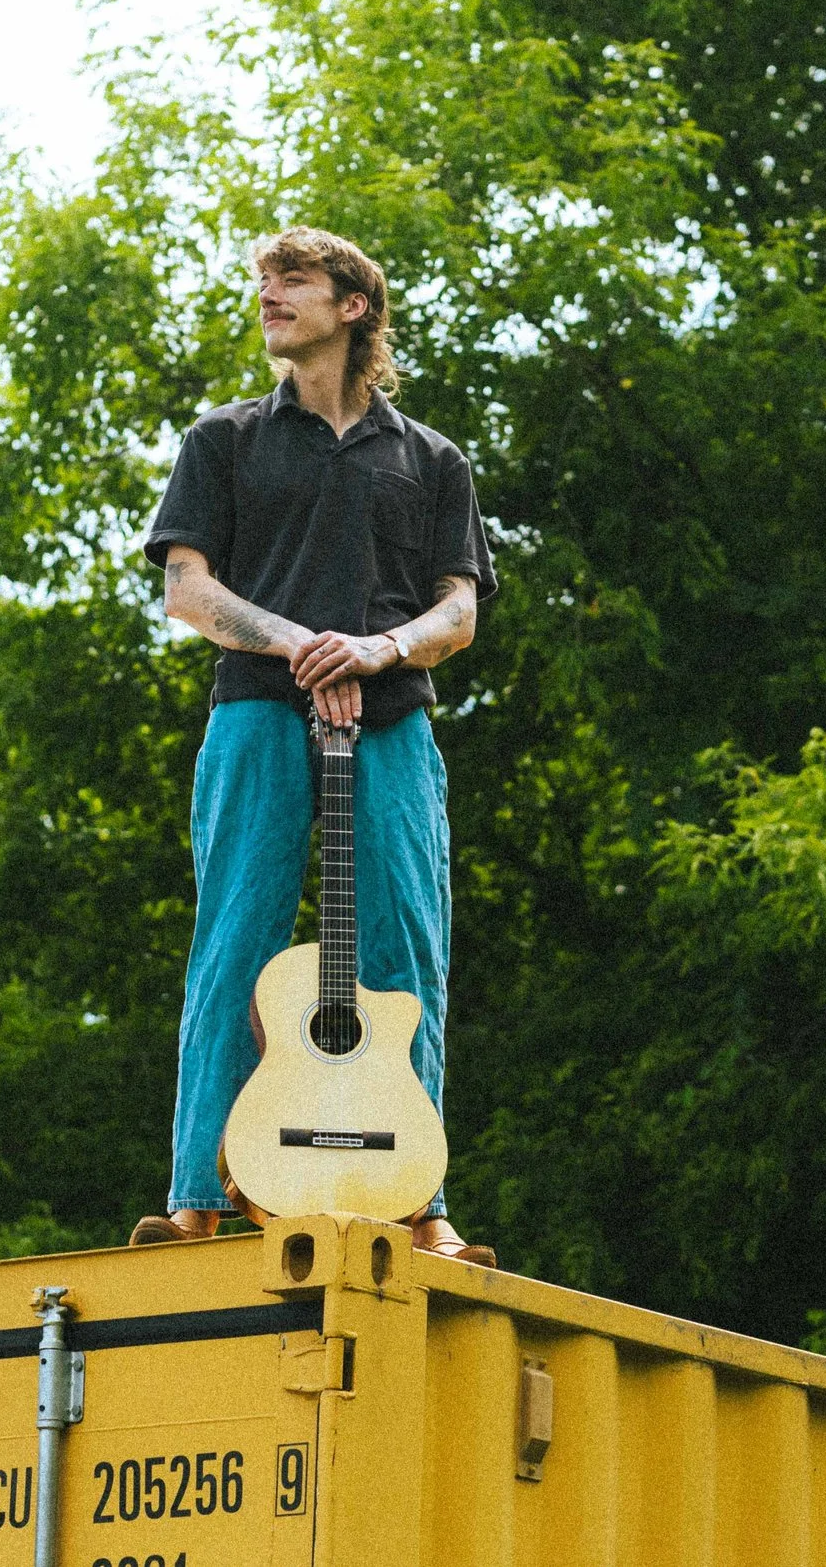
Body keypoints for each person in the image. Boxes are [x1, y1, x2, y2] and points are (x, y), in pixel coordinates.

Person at [130, 225, 498, 1264]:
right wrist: (306, 648)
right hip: (255, 708)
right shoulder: (225, 439)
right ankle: (195, 1193)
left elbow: (457, 613)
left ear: (353, 306)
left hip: (391, 722)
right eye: (261, 280)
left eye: (291, 279)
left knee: (405, 952)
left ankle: (420, 1200)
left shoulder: (431, 459)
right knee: (234, 940)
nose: (267, 295)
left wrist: (377, 651)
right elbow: (187, 590)